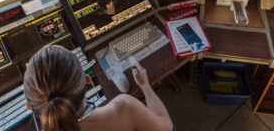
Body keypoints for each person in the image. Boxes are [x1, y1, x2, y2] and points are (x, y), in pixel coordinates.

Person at [23, 45, 174, 131]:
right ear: (87, 80)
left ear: (29, 106)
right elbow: (166, 127)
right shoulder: (124, 108)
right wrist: (145, 86)